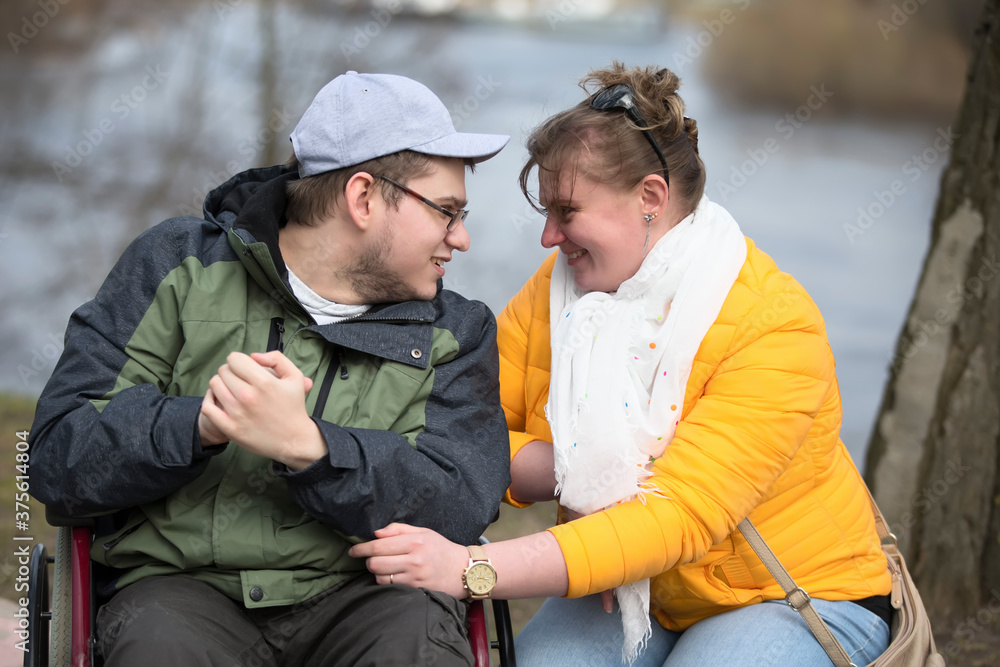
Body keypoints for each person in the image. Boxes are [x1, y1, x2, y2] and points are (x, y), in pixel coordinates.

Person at [350, 62, 893, 666]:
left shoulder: (774, 324)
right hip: (641, 589)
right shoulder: (555, 295)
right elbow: (460, 431)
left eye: (566, 211)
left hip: (793, 594)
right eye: (545, 214)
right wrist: (578, 470)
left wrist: (473, 568)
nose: (549, 238)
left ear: (650, 199)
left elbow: (675, 516)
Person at [28, 71, 512, 667]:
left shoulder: (457, 334)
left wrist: (313, 449)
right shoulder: (175, 265)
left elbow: (461, 503)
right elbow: (55, 460)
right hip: (179, 596)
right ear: (363, 198)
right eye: (446, 211)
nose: (460, 239)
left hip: (372, 602)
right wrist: (200, 423)